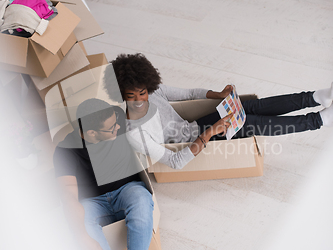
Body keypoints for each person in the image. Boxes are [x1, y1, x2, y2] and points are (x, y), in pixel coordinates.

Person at [103, 53, 333, 170]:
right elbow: (174, 162)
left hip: (196, 127)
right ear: (120, 94)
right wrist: (210, 133)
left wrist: (219, 95)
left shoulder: (154, 92)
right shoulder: (135, 134)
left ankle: (316, 97)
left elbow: (189, 93)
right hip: (196, 143)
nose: (139, 100)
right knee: (251, 122)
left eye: (142, 93)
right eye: (130, 96)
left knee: (249, 106)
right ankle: (320, 120)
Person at [53, 98, 154, 250]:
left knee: (142, 202)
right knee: (80, 227)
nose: (117, 128)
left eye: (116, 123)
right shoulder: (64, 151)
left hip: (127, 189)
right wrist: (81, 235)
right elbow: (69, 196)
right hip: (93, 202)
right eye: (111, 128)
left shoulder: (116, 120)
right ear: (90, 133)